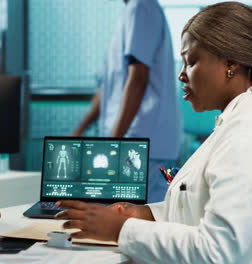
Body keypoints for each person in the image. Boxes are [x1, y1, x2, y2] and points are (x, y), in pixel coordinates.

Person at [57, 2, 252, 263]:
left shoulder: (243, 132)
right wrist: (143, 214)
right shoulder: (230, 123)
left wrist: (120, 229)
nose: (181, 75)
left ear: (230, 64)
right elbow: (197, 207)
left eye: (191, 61)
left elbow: (220, 252)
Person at [73, 0, 181, 202]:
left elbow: (138, 77)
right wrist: (79, 131)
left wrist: (113, 145)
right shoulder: (131, 12)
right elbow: (109, 88)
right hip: (133, 142)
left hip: (143, 143)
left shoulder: (141, 7)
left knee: (143, 219)